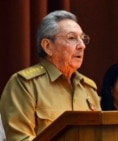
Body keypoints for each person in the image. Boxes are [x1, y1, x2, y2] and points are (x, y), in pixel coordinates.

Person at [0, 10, 101, 140]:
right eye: (72, 38)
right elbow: (20, 138)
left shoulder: (88, 88)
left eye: (82, 38)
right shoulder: (25, 84)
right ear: (48, 46)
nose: (82, 46)